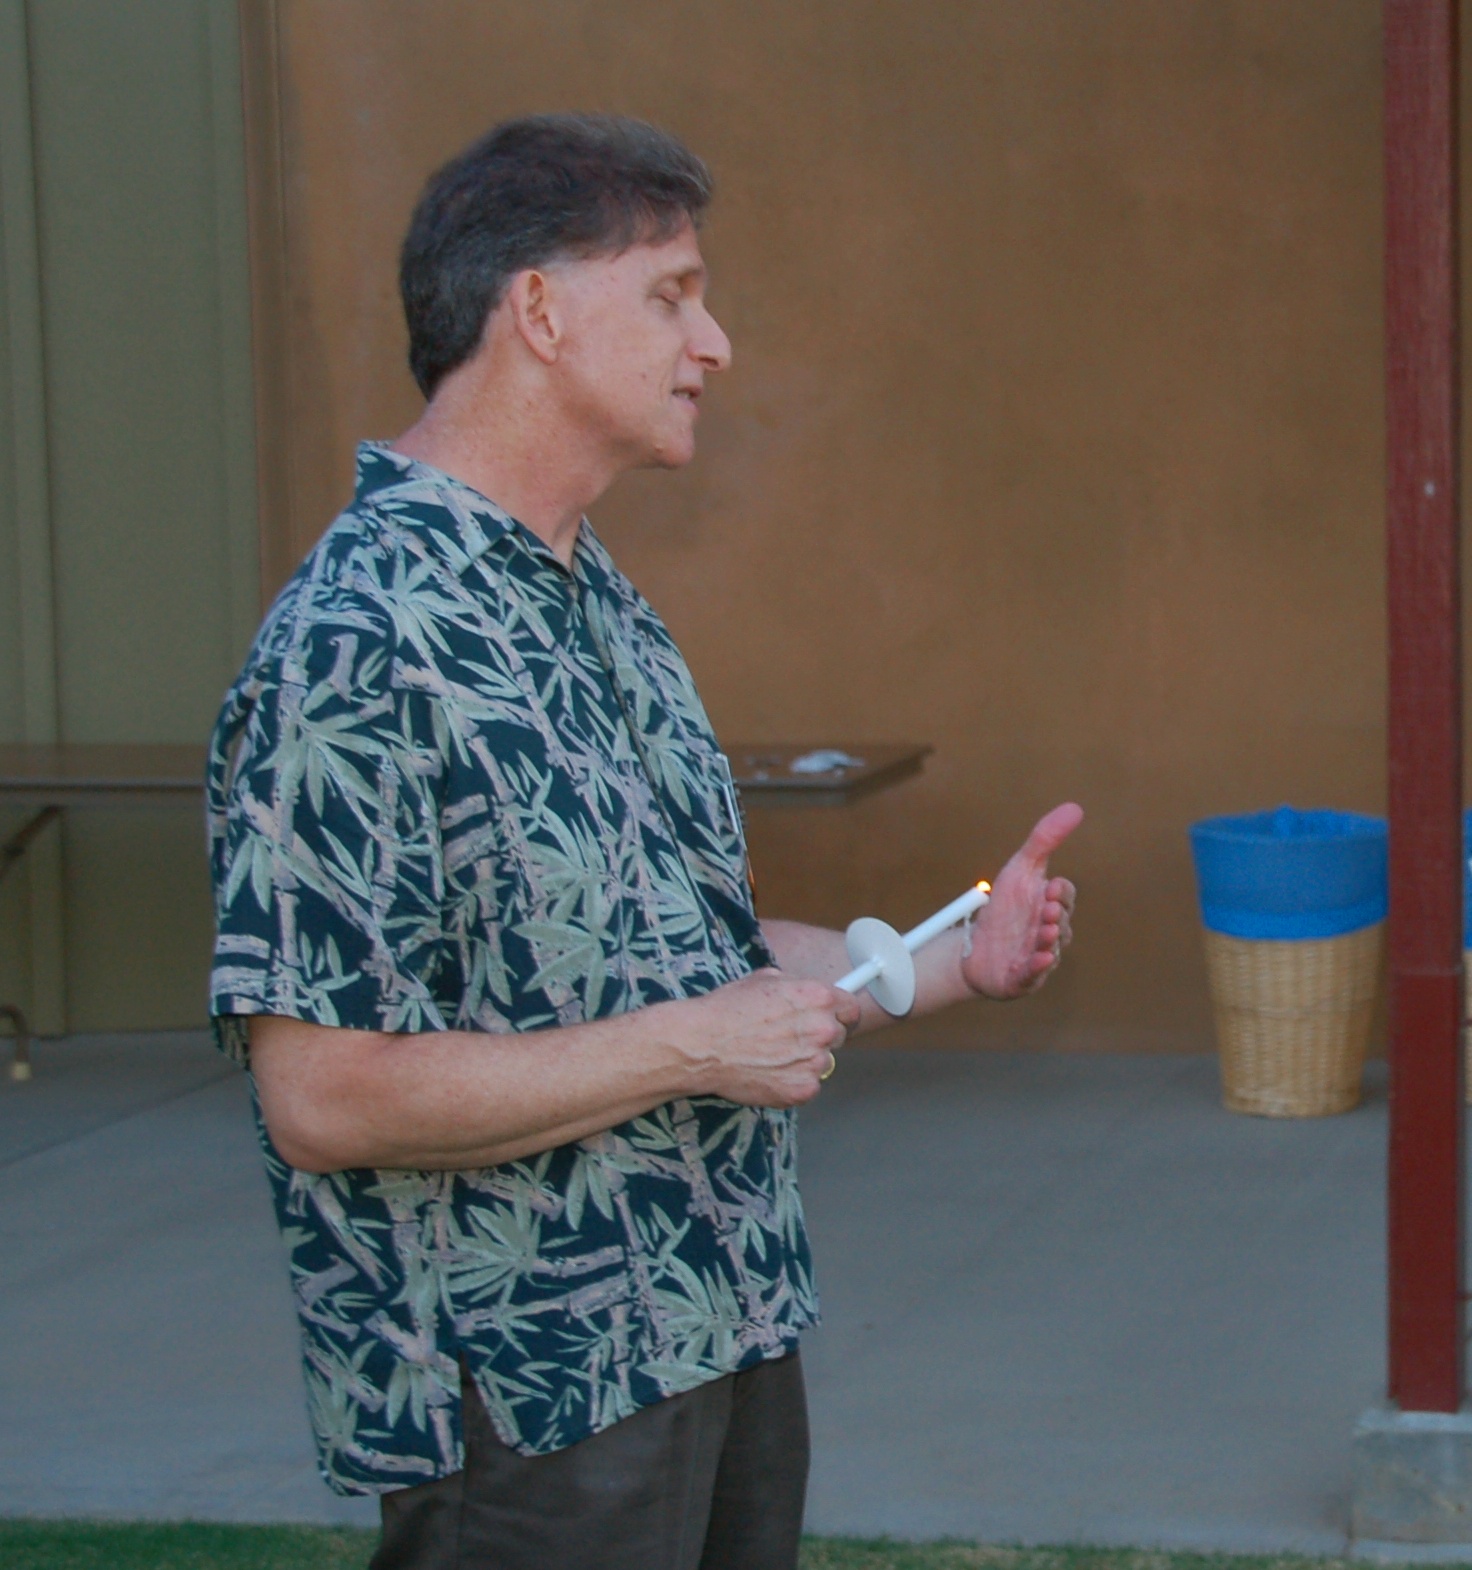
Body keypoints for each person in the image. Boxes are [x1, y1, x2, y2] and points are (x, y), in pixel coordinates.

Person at [206, 114, 1081, 1570]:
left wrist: (937, 967)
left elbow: (693, 958)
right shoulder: (355, 644)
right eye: (672, 294)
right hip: (528, 1393)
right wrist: (690, 1047)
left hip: (719, 1323)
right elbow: (324, 1093)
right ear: (538, 312)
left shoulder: (594, 599)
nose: (714, 343)